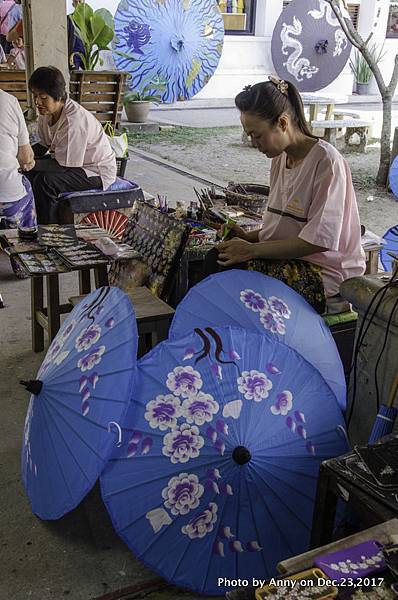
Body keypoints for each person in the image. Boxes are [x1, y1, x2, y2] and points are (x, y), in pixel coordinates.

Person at [209, 76, 365, 314]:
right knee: (215, 256)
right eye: (250, 136)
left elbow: (316, 241)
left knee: (230, 270)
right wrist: (249, 237)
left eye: (257, 135)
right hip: (292, 259)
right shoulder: (281, 158)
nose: (254, 143)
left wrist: (251, 250)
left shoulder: (327, 162)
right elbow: (287, 227)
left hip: (322, 272)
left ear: (282, 123)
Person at [25, 66, 117, 224]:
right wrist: (21, 156)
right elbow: (43, 146)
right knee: (27, 174)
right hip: (73, 164)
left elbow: (64, 166)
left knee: (45, 181)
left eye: (43, 97)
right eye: (35, 96)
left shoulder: (74, 121)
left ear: (58, 96)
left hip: (95, 170)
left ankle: (51, 232)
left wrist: (32, 163)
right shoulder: (46, 113)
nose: (37, 102)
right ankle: (32, 224)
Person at [0, 89, 37, 229]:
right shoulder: (9, 101)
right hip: (6, 193)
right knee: (26, 186)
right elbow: (25, 157)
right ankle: (25, 242)